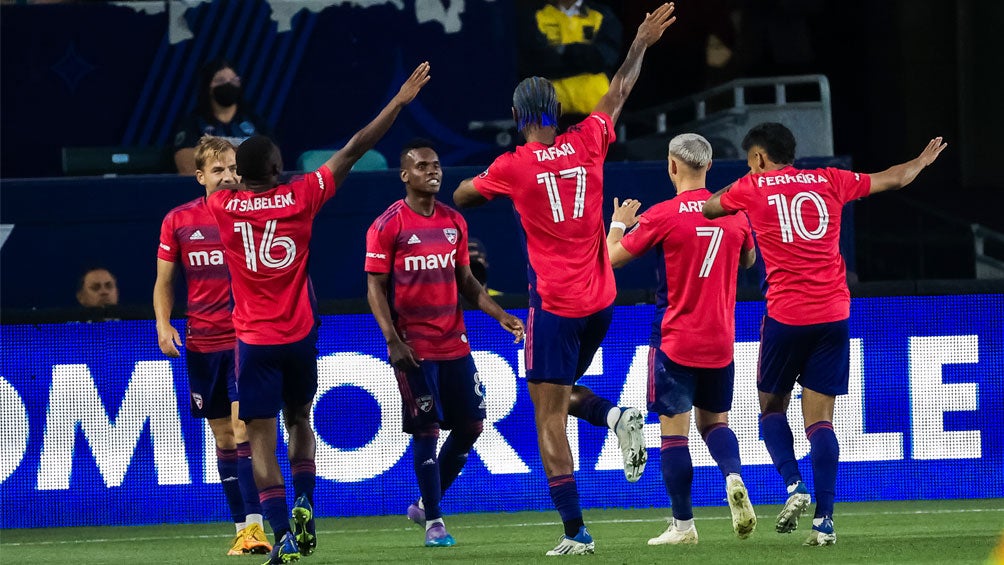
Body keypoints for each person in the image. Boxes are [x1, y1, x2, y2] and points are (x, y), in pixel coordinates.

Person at [453, 5, 677, 555]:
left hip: (555, 306)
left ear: (515, 114)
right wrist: (641, 43)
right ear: (557, 110)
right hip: (602, 300)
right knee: (553, 392)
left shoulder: (511, 167)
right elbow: (620, 89)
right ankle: (617, 416)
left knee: (546, 414)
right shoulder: (589, 139)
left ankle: (576, 532)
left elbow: (460, 197)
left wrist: (475, 192)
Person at [206, 62, 431, 565]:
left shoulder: (223, 207)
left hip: (254, 342)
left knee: (257, 438)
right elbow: (353, 147)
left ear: (242, 175)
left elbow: (218, 181)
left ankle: (284, 531)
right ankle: (307, 500)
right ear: (280, 167)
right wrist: (397, 101)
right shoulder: (302, 195)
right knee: (299, 419)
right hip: (299, 338)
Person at [703, 122, 947, 546]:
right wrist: (920, 163)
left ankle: (794, 486)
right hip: (833, 315)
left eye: (750, 160)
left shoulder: (752, 187)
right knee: (821, 422)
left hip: (786, 316)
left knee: (771, 409)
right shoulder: (830, 179)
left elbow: (708, 208)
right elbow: (893, 177)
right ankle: (825, 521)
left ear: (759, 158)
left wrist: (745, 181)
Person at [365, 139, 525, 547]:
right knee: (427, 431)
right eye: (422, 166)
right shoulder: (388, 225)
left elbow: (467, 281)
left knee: (471, 425)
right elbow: (375, 288)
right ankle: (435, 521)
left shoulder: (454, 221)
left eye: (436, 165)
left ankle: (424, 503)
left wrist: (499, 314)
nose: (433, 171)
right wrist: (392, 341)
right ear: (405, 175)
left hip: (455, 343)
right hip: (414, 349)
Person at [605, 133, 757, 546]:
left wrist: (619, 224)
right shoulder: (735, 214)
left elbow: (609, 259)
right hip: (721, 341)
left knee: (674, 435)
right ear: (709, 167)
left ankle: (684, 526)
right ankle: (733, 475)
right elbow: (749, 259)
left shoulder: (663, 215)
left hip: (675, 340)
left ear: (672, 166)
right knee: (716, 424)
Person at [152, 136, 270, 556]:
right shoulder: (179, 221)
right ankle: (242, 528)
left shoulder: (255, 215)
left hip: (247, 339)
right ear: (199, 175)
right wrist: (163, 325)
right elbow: (165, 281)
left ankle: (256, 528)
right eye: (218, 170)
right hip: (203, 342)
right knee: (223, 438)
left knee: (243, 429)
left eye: (234, 168)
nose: (228, 176)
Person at [517, 0, 623, 129]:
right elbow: (535, 62)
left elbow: (604, 58)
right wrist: (584, 59)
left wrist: (563, 51)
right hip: (548, 115)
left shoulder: (602, 15)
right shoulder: (534, 15)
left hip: (596, 111)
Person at [173, 58, 272, 175]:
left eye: (234, 80)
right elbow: (186, 166)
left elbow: (270, 160)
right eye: (220, 80)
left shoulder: (255, 121)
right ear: (208, 87)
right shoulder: (193, 122)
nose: (228, 84)